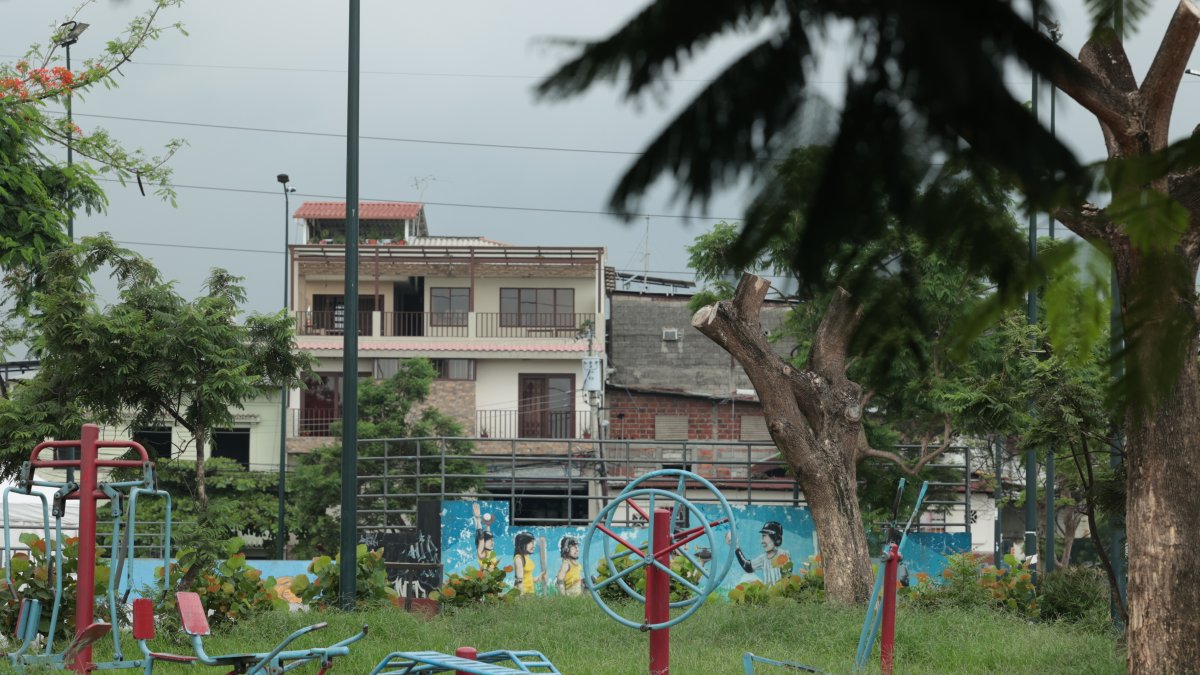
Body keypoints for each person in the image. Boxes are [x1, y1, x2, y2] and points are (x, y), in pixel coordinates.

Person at [727, 521, 792, 585]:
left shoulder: (783, 554)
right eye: (762, 537)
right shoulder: (764, 558)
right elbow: (747, 566)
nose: (762, 541)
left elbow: (786, 578)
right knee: (747, 577)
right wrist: (736, 546)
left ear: (777, 539)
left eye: (764, 536)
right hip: (768, 592)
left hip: (779, 593)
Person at [472, 502, 497, 571]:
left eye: (492, 540)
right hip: (485, 580)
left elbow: (488, 534)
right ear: (483, 542)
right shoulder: (482, 554)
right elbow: (481, 537)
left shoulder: (490, 551)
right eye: (490, 541)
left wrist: (487, 525)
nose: (492, 542)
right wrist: (477, 519)